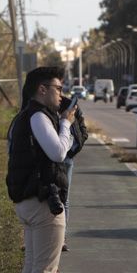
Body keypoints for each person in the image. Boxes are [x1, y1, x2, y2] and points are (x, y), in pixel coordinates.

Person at [6, 66, 77, 273]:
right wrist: (66, 124)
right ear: (42, 89)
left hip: (28, 201)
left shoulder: (25, 116)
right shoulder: (38, 116)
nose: (62, 94)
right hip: (41, 202)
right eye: (58, 88)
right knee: (43, 272)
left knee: (33, 269)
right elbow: (58, 151)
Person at [58, 92, 89, 252]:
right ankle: (48, 237)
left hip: (68, 159)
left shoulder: (72, 106)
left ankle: (61, 238)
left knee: (65, 199)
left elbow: (83, 130)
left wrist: (75, 149)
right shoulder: (48, 107)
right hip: (53, 157)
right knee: (46, 198)